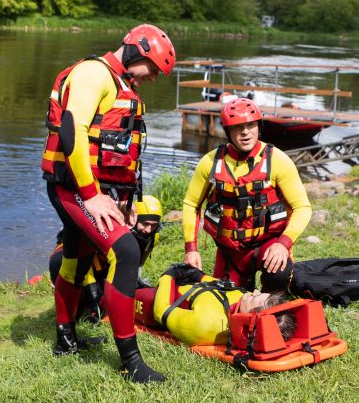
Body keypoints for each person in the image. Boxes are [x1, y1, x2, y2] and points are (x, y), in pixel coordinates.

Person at [41, 24, 175, 383]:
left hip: (94, 190)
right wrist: (91, 195)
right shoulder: (93, 73)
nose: (154, 78)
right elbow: (72, 131)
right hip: (72, 187)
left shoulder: (121, 84)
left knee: (77, 260)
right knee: (127, 252)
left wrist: (127, 200)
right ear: (137, 50)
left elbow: (122, 151)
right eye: (154, 69)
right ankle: (131, 363)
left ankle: (65, 340)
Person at [182, 98, 312, 292]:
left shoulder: (278, 160)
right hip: (230, 251)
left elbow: (302, 207)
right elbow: (191, 204)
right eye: (237, 127)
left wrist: (283, 244)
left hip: (267, 245)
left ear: (258, 126)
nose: (245, 132)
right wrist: (191, 249)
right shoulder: (210, 162)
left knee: (279, 274)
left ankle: (270, 296)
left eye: (250, 125)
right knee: (226, 301)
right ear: (228, 131)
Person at [49, 195, 163, 322]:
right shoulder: (110, 224)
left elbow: (137, 265)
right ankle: (78, 303)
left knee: (110, 297)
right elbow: (85, 259)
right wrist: (93, 294)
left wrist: (134, 285)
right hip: (76, 258)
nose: (148, 230)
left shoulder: (152, 237)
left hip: (102, 265)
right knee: (90, 297)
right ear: (134, 218)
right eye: (145, 223)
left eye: (154, 225)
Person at [138, 263, 296, 346]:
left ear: (249, 319)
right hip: (185, 289)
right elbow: (221, 288)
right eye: (259, 293)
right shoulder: (241, 303)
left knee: (125, 291)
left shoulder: (206, 325)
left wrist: (168, 276)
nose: (254, 291)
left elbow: (161, 311)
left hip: (153, 302)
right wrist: (199, 276)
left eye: (255, 298)